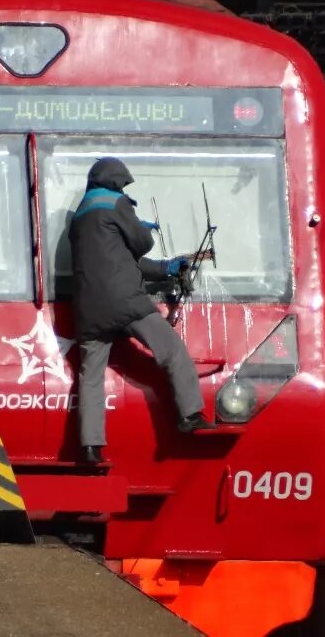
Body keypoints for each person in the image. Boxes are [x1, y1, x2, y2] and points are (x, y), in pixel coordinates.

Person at [69, 157, 214, 464]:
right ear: (117, 181)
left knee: (91, 377)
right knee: (171, 350)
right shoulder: (116, 202)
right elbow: (142, 244)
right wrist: (139, 226)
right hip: (125, 302)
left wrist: (166, 268)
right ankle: (190, 414)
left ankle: (91, 447)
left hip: (88, 311)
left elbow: (118, 261)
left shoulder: (80, 215)